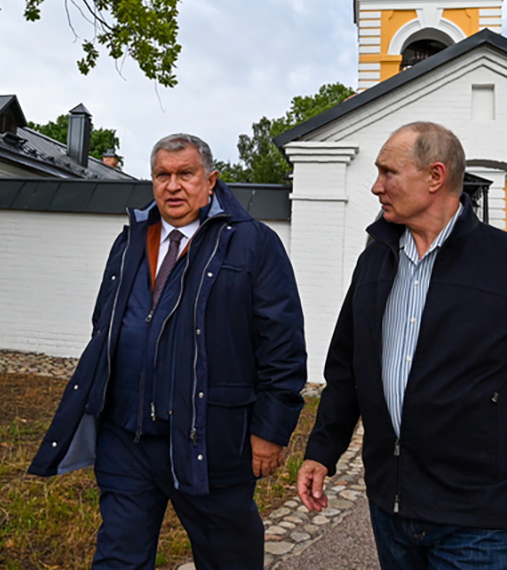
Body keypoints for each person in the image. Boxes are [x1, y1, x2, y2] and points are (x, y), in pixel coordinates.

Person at [296, 122, 507, 570]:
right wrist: (322, 451)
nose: (376, 186)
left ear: (435, 176)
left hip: (476, 517)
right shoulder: (375, 259)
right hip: (390, 507)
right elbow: (347, 368)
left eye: (389, 172)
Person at [30, 133, 307, 570]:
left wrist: (271, 430)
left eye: (186, 174)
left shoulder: (253, 243)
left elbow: (283, 345)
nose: (173, 186)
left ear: (210, 181)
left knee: (228, 558)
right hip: (127, 438)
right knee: (118, 558)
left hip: (210, 440)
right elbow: (106, 320)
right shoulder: (131, 240)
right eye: (162, 175)